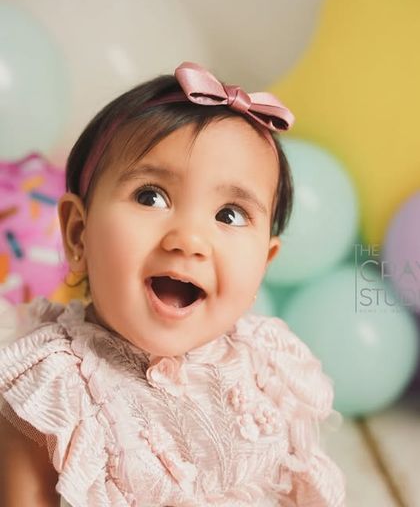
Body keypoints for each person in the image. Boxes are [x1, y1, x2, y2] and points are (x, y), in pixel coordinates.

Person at [0, 62, 346, 506]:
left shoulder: (266, 365)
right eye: (151, 196)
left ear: (264, 262)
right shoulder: (52, 386)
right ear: (77, 234)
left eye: (230, 215)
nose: (189, 240)